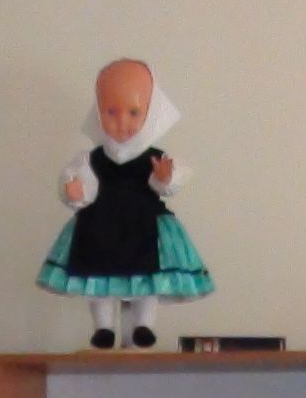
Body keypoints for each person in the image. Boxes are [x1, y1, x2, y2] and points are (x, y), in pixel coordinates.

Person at [40, 57, 214, 349]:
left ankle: (142, 325)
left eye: (133, 112)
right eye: (111, 111)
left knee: (148, 274)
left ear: (151, 111)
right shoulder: (91, 158)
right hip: (100, 224)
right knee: (98, 274)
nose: (122, 121)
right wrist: (75, 192)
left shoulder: (155, 157)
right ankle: (104, 327)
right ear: (98, 112)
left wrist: (165, 177)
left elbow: (167, 181)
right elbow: (81, 183)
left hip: (143, 225)